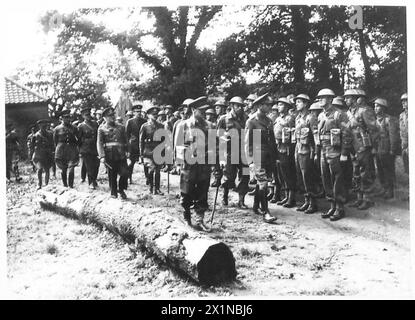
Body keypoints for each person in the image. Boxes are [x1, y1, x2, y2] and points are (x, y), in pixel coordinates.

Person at [174, 96, 211, 231]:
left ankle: (200, 219)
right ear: (194, 110)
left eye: (205, 111)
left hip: (204, 164)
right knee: (187, 191)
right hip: (188, 164)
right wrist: (179, 164)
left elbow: (213, 145)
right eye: (201, 111)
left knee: (202, 192)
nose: (203, 114)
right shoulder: (183, 125)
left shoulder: (208, 125)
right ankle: (187, 218)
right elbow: (178, 145)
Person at [316, 88, 352, 221]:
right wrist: (317, 152)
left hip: (335, 151)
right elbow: (318, 136)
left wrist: (344, 153)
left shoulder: (339, 114)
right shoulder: (320, 115)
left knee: (337, 179)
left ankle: (339, 207)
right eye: (319, 98)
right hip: (324, 151)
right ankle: (331, 205)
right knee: (326, 179)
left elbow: (347, 134)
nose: (320, 100)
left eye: (323, 97)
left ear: (330, 99)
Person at [245, 93, 278, 223]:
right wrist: (250, 161)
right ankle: (266, 212)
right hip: (257, 156)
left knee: (262, 183)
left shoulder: (269, 121)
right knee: (263, 184)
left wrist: (275, 157)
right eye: (267, 105)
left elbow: (272, 140)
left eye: (270, 105)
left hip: (268, 157)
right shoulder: (252, 121)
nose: (270, 107)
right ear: (259, 105)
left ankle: (255, 206)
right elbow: (248, 143)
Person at [344, 89, 379, 210]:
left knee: (365, 173)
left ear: (354, 98)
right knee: (356, 173)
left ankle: (367, 199)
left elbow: (374, 129)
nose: (345, 100)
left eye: (348, 98)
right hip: (353, 147)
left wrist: (373, 146)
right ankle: (359, 198)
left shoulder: (364, 111)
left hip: (363, 146)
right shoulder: (348, 113)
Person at [217, 96, 250, 208]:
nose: (240, 108)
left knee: (245, 175)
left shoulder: (247, 118)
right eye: (237, 106)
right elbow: (217, 136)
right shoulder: (224, 119)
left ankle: (241, 200)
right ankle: (225, 197)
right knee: (228, 176)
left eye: (241, 106)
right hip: (230, 151)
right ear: (232, 106)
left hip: (244, 152)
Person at [293, 94, 319, 214]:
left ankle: (313, 203)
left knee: (308, 176)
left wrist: (315, 153)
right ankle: (306, 200)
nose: (297, 104)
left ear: (305, 104)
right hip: (298, 149)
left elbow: (315, 137)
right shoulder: (297, 117)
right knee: (300, 176)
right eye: (296, 102)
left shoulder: (311, 117)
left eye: (299, 102)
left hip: (307, 150)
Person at [97, 107, 129, 199]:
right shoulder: (101, 129)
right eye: (109, 116)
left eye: (113, 115)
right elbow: (99, 143)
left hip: (121, 154)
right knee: (112, 174)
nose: (112, 117)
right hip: (109, 155)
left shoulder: (121, 127)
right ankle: (113, 192)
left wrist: (128, 151)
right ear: (104, 118)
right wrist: (102, 156)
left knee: (125, 173)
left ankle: (121, 189)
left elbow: (126, 140)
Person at [373, 98, 400, 199]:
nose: (375, 108)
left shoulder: (389, 119)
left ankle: (390, 190)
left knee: (388, 169)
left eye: (378, 106)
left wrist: (393, 149)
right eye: (375, 106)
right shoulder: (375, 120)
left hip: (387, 147)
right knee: (380, 169)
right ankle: (384, 188)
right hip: (379, 147)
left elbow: (393, 136)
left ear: (383, 108)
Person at [273, 96, 297, 208]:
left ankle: (291, 198)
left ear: (287, 107)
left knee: (288, 173)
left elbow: (293, 135)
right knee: (281, 173)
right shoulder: (278, 118)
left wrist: (290, 148)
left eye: (281, 104)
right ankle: (286, 196)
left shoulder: (290, 118)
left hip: (287, 148)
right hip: (278, 147)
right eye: (278, 104)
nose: (279, 106)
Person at [139, 105, 165, 195]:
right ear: (148, 115)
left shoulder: (161, 126)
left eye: (156, 114)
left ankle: (157, 189)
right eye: (153, 114)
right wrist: (141, 154)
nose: (155, 116)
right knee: (151, 169)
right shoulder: (145, 126)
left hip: (158, 150)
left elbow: (163, 141)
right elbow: (141, 141)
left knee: (158, 171)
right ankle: (150, 187)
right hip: (148, 152)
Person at [53, 109, 79, 188]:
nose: (68, 119)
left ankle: (71, 186)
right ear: (62, 118)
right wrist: (57, 150)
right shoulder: (57, 129)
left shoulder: (74, 128)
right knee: (63, 170)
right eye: (65, 117)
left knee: (71, 169)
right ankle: (65, 185)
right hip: (61, 151)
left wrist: (76, 148)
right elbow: (55, 141)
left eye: (68, 117)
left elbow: (77, 139)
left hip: (71, 150)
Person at [77, 106, 100, 189]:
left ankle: (94, 179)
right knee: (89, 166)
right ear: (83, 116)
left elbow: (98, 135)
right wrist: (80, 149)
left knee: (96, 165)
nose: (88, 116)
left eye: (89, 114)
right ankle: (91, 182)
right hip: (86, 148)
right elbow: (79, 139)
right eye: (86, 115)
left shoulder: (95, 123)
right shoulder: (81, 126)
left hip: (95, 147)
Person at [125, 104, 146, 184]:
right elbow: (127, 135)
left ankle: (147, 178)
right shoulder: (130, 122)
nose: (139, 113)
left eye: (140, 111)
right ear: (133, 113)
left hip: (143, 144)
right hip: (133, 145)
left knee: (145, 162)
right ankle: (129, 177)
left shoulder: (144, 121)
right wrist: (127, 147)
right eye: (137, 112)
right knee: (131, 163)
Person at [32, 119, 54, 189]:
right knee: (40, 169)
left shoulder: (50, 134)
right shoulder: (36, 135)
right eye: (42, 126)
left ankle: (47, 184)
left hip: (47, 155)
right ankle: (39, 184)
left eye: (45, 126)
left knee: (47, 169)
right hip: (38, 155)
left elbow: (52, 144)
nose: (44, 127)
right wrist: (31, 155)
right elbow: (32, 146)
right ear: (39, 126)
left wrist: (52, 152)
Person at [399, 93, 408, 174]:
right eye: (402, 101)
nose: (403, 103)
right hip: (405, 144)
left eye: (406, 101)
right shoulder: (401, 115)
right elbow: (401, 130)